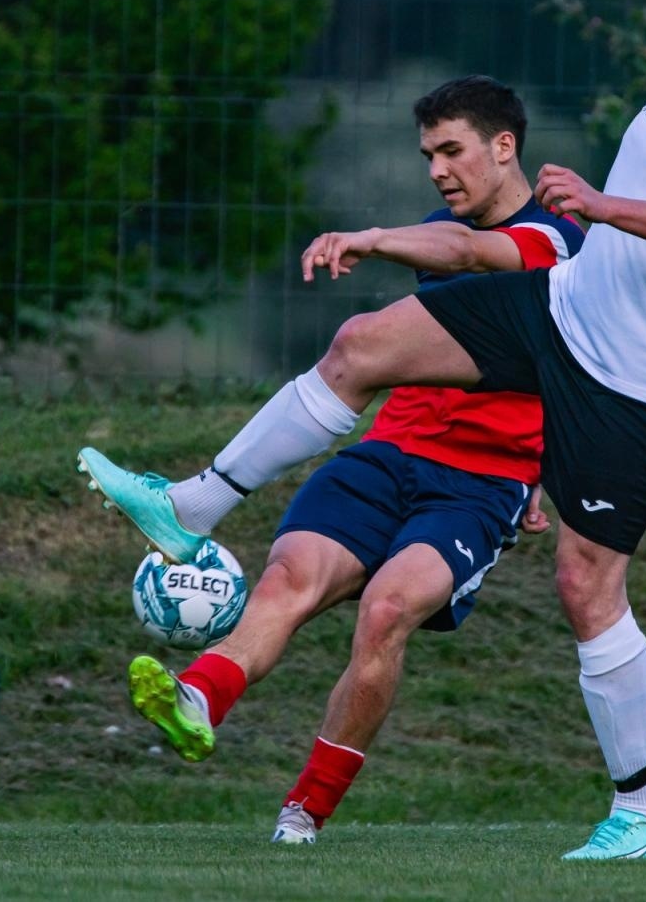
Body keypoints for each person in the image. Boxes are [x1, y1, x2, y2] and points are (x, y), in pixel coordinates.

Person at [78, 0, 646, 860]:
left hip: (628, 379)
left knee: (588, 587)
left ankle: (642, 811)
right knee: (362, 345)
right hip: (569, 312)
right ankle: (193, 505)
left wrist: (602, 205)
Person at [83, 75, 583, 843]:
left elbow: (485, 268)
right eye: (427, 155)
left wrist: (369, 238)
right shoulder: (435, 231)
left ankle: (305, 809)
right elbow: (458, 272)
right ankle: (196, 700)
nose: (437, 170)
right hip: (387, 454)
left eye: (451, 151)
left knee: (386, 611)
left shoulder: (559, 238)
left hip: (480, 485)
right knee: (289, 577)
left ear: (504, 146)